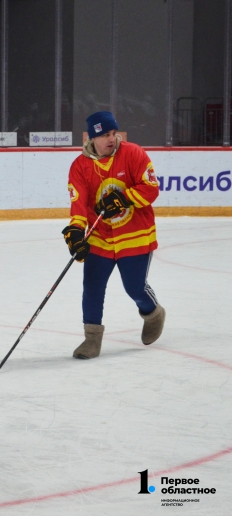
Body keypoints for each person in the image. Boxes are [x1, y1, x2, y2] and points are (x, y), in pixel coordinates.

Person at [63, 111, 165, 360]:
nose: (111, 139)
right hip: (100, 237)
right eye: (104, 135)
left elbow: (151, 189)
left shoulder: (133, 153)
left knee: (134, 287)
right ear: (91, 138)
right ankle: (91, 339)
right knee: (93, 286)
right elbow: (78, 205)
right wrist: (76, 232)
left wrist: (124, 198)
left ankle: (152, 313)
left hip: (135, 234)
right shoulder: (79, 166)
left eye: (113, 133)